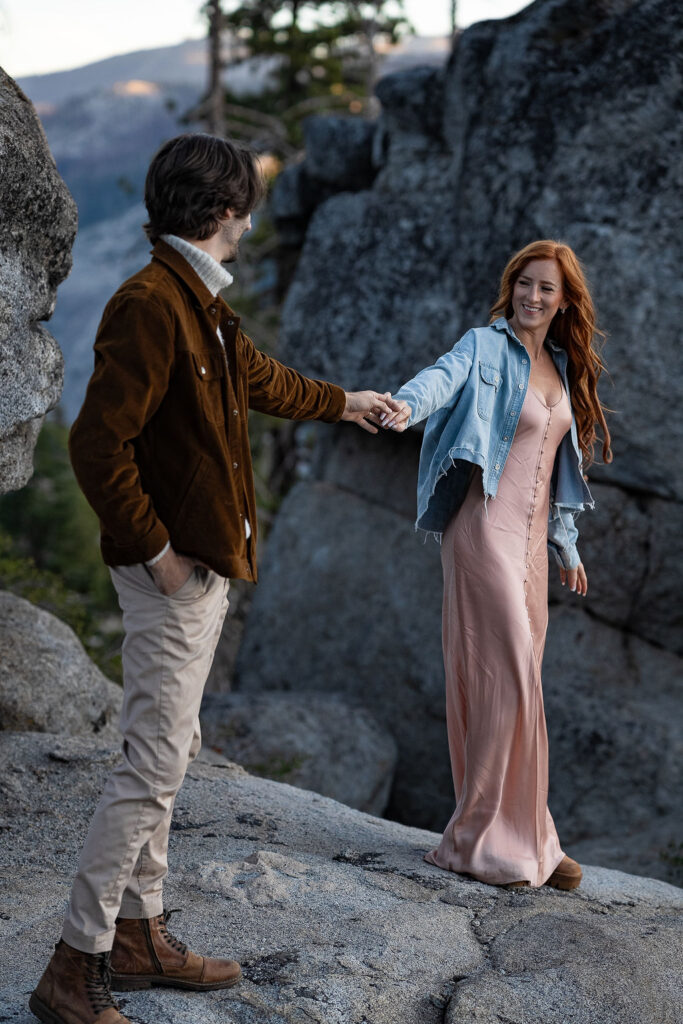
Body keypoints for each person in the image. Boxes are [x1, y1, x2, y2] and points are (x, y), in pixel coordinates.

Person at [29, 133, 397, 1024]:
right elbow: (95, 444)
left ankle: (140, 933)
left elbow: (253, 379)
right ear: (228, 212)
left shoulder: (198, 300)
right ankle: (73, 970)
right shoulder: (152, 303)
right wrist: (155, 550)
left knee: (170, 750)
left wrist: (342, 401)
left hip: (196, 570)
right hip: (171, 578)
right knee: (152, 767)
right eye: (246, 204)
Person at [381, 240, 611, 891]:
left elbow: (558, 469)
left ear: (563, 300)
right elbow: (439, 379)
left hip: (532, 546)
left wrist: (565, 547)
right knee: (505, 673)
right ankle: (476, 838)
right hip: (481, 527)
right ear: (510, 288)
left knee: (518, 682)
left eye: (546, 288)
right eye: (524, 284)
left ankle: (533, 835)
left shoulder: (561, 367)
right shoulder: (483, 347)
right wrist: (404, 403)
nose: (532, 297)